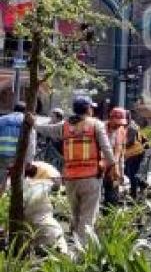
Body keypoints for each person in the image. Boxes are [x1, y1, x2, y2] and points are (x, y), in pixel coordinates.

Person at [34, 95, 115, 247]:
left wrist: (33, 123)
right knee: (87, 217)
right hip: (91, 177)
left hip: (71, 178)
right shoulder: (96, 125)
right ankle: (81, 252)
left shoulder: (64, 126)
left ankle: (76, 246)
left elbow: (46, 129)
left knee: (76, 215)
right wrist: (106, 164)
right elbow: (108, 153)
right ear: (88, 109)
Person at [23, 160, 68, 254]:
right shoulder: (30, 172)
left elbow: (54, 184)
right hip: (45, 185)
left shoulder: (41, 170)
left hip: (51, 181)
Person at [0, 101, 36, 196]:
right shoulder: (26, 122)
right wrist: (29, 160)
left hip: (1, 157)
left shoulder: (2, 120)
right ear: (25, 111)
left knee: (1, 184)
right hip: (17, 158)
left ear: (13, 110)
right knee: (16, 185)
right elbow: (31, 143)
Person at [103, 107, 128, 207]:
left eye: (121, 123)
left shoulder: (121, 131)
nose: (118, 125)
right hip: (98, 167)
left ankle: (108, 217)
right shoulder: (100, 128)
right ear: (110, 118)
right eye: (116, 122)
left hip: (114, 170)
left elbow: (121, 153)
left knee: (113, 197)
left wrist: (121, 172)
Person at [123, 110, 148, 199]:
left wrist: (118, 144)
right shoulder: (132, 125)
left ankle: (134, 195)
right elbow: (144, 139)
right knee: (126, 171)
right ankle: (142, 183)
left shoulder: (131, 127)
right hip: (134, 153)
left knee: (132, 173)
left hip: (135, 153)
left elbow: (130, 142)